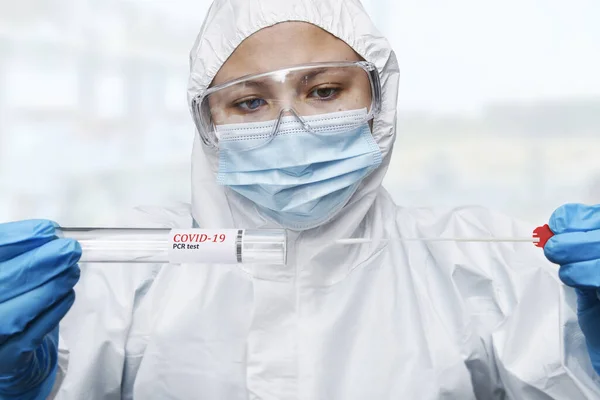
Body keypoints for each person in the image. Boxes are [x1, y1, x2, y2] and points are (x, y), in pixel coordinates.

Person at [1, 0, 600, 398]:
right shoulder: (132, 269)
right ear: (207, 124)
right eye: (250, 102)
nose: (291, 125)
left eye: (325, 90)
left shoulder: (479, 261)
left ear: (379, 102)